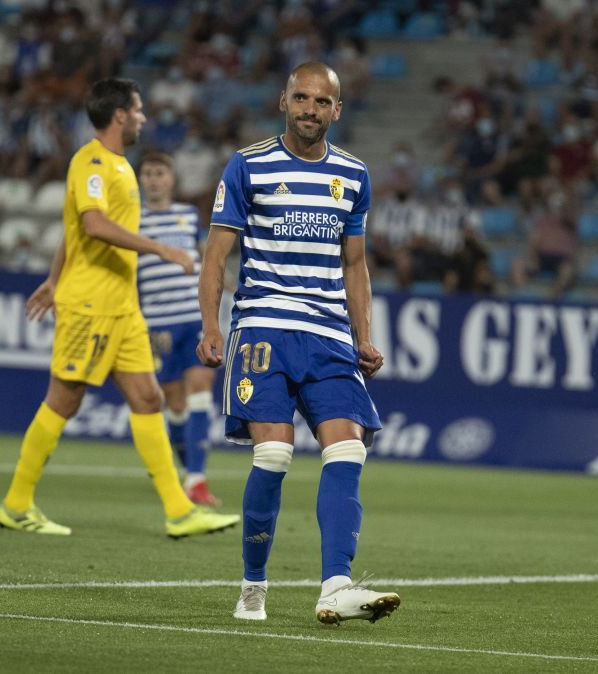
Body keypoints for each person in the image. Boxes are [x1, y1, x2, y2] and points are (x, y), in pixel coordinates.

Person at [197, 62, 400, 625]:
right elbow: (217, 255)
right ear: (283, 100)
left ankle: (335, 586)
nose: (310, 109)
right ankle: (253, 586)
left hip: (330, 333)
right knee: (275, 453)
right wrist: (211, 326)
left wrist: (364, 336)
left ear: (338, 110)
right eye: (301, 98)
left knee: (348, 450)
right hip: (263, 323)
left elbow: (355, 263)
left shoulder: (354, 176)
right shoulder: (248, 165)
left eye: (322, 101)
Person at [0, 78, 240, 538]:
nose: (145, 117)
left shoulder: (120, 166)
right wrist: (161, 249)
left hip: (124, 308)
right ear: (122, 114)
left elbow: (73, 229)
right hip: (91, 305)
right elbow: (91, 224)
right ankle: (16, 503)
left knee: (148, 399)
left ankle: (179, 511)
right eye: (140, 108)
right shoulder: (90, 162)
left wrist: (52, 278)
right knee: (63, 401)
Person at [137, 151, 220, 506]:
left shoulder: (187, 215)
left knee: (201, 389)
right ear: (141, 180)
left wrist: (224, 283)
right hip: (158, 325)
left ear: (171, 179)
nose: (154, 179)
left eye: (160, 173)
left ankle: (197, 481)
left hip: (194, 318)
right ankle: (188, 475)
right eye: (149, 173)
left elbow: (205, 256)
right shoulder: (131, 222)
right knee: (174, 405)